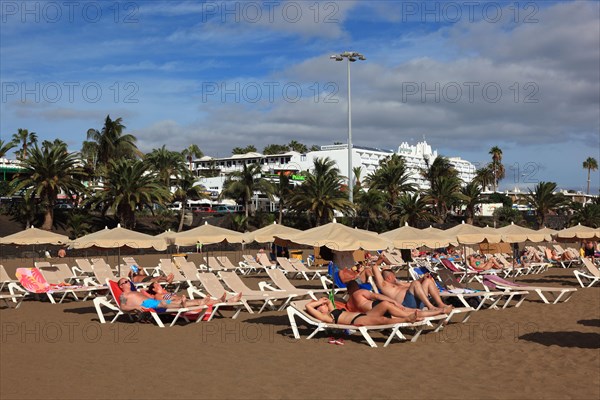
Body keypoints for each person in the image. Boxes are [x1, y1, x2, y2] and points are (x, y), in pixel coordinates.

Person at [345, 281, 449, 318]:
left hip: (373, 314)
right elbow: (376, 296)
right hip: (380, 307)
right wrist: (393, 301)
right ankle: (440, 310)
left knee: (411, 312)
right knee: (411, 312)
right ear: (356, 287)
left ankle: (439, 310)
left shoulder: (348, 304)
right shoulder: (358, 292)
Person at [372, 265, 453, 312]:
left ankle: (440, 304)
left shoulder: (398, 284)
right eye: (394, 276)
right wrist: (383, 265)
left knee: (427, 281)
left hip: (417, 300)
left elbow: (410, 284)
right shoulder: (384, 286)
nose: (395, 277)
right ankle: (430, 306)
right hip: (407, 304)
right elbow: (375, 267)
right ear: (389, 277)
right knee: (415, 283)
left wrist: (422, 278)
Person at [305, 297, 420, 326]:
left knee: (385, 304)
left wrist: (324, 301)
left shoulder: (333, 310)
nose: (324, 304)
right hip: (356, 320)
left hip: (363, 315)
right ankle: (407, 319)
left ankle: (407, 314)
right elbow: (308, 306)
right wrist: (318, 302)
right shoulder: (327, 318)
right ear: (319, 310)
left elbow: (329, 301)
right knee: (383, 319)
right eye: (322, 305)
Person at [144, 281, 242, 308]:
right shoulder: (158, 296)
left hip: (183, 301)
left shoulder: (165, 292)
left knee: (204, 302)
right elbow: (165, 301)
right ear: (154, 289)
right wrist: (175, 298)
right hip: (177, 303)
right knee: (200, 301)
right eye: (157, 285)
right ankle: (225, 300)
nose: (159, 285)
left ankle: (228, 301)